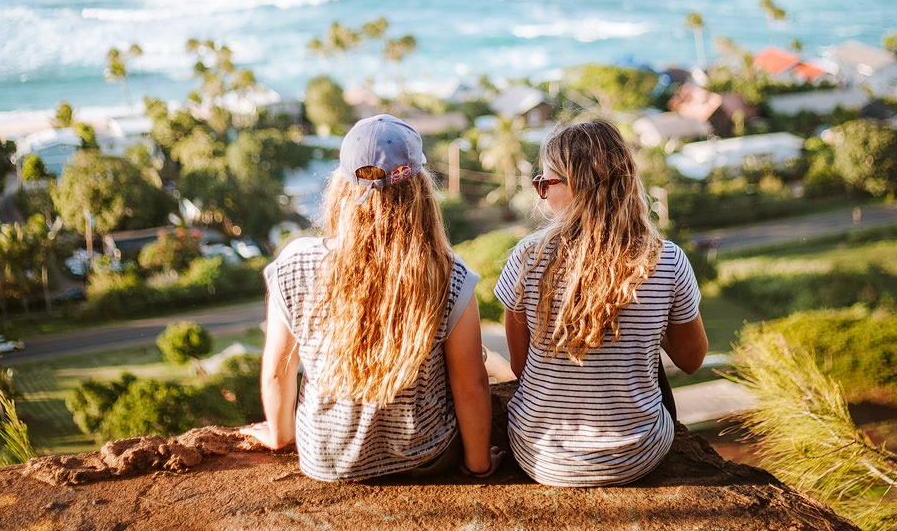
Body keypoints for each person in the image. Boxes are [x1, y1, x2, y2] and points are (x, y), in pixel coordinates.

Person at [243, 114, 502, 481]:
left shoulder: (295, 263)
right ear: (420, 190)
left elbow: (277, 370)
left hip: (327, 462)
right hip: (424, 457)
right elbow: (471, 386)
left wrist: (279, 435)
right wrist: (479, 465)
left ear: (341, 187)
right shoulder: (448, 274)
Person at [494, 119, 707, 487]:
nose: (542, 195)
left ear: (576, 187)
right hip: (637, 455)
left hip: (540, 455)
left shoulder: (526, 258)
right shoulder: (667, 259)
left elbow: (519, 367)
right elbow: (692, 360)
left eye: (545, 184)